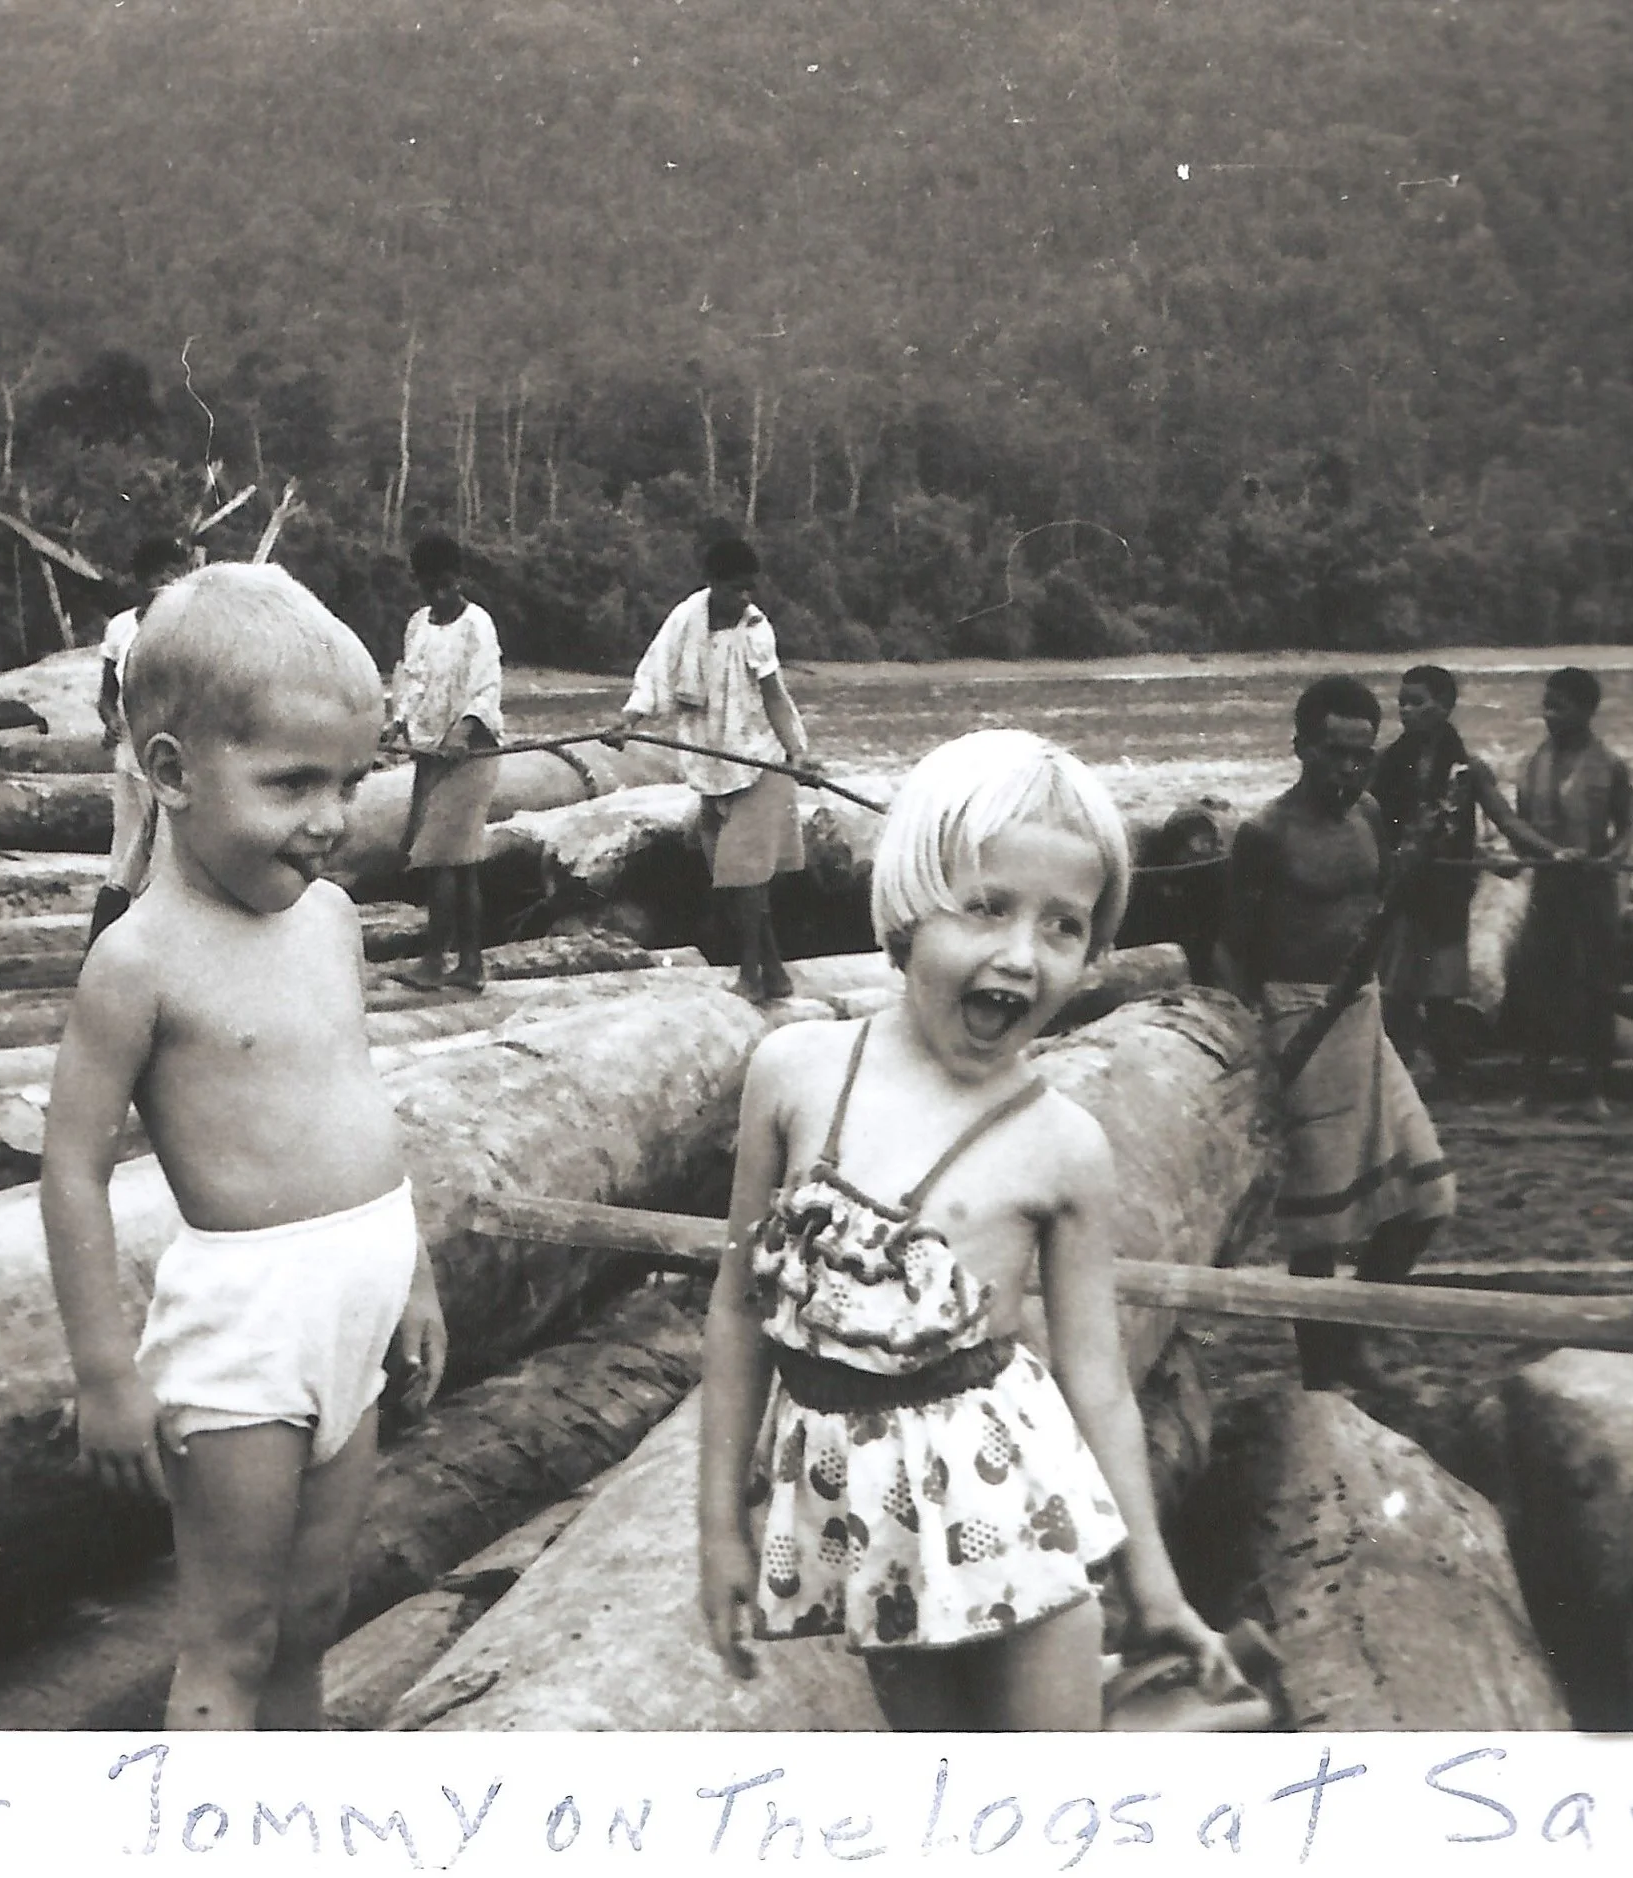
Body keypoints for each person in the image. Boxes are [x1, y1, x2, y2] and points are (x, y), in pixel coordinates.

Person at [696, 729, 1250, 1730]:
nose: (1018, 953)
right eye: (986, 907)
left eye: (1062, 927)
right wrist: (718, 1529)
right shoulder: (795, 1072)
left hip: (1012, 1514)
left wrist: (1156, 1588)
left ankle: (1135, 1715)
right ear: (908, 907)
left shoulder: (1062, 1146)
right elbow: (738, 1309)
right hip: (855, 1519)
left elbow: (1099, 1384)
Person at [40, 561, 450, 1731]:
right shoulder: (138, 961)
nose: (330, 819)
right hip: (247, 1335)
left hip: (355, 1307)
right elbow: (69, 1167)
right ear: (168, 772)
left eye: (351, 782)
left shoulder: (327, 919)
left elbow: (355, 1098)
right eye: (290, 784)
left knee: (316, 1612)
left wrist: (409, 1274)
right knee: (234, 1631)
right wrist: (106, 1372)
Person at [1223, 675, 1455, 1393]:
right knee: (1319, 1226)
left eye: (1361, 754)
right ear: (1300, 748)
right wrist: (1252, 1040)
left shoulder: (1371, 815)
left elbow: (1378, 908)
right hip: (1296, 1018)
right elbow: (1230, 947)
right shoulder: (1267, 834)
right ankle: (1321, 1377)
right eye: (1333, 753)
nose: (1348, 769)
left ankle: (1352, 1340)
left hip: (1363, 1012)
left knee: (1428, 1197)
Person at [615, 537, 817, 1003]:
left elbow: (775, 699)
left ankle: (751, 977)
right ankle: (775, 972)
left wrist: (797, 753)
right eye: (735, 589)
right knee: (735, 883)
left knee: (744, 876)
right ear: (713, 585)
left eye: (750, 589)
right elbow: (654, 673)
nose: (744, 598)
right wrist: (628, 721)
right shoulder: (686, 619)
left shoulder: (757, 629)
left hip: (759, 764)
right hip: (711, 767)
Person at [1369, 664, 1553, 1082]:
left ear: (1446, 706)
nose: (1406, 711)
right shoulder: (1385, 762)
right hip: (1400, 889)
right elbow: (1366, 818)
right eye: (1402, 702)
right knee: (1395, 992)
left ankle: (1448, 1074)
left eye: (1417, 702)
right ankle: (1396, 1074)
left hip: (1447, 891)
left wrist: (1552, 853)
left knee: (1442, 991)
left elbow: (1506, 820)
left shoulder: (1469, 769)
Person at [1501, 667, 1633, 1119]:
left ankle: (1596, 1090)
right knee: (1538, 984)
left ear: (1587, 710)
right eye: (1547, 705)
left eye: (1560, 706)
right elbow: (1518, 828)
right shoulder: (1531, 763)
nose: (1549, 715)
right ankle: (1533, 1086)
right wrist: (1520, 857)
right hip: (1548, 886)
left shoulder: (1610, 765)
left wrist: (1615, 857)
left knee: (1597, 985)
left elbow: (1631, 827)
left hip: (1593, 889)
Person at [385, 530, 503, 992]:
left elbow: (486, 686)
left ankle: (437, 961)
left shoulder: (478, 625)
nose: (437, 592)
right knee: (457, 862)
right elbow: (411, 680)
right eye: (428, 583)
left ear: (459, 579)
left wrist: (463, 730)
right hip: (430, 753)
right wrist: (397, 723)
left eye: (445, 582)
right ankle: (469, 964)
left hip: (470, 754)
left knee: (442, 857)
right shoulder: (418, 625)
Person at [90, 536, 197, 950]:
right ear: (145, 580)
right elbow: (105, 695)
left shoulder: (185, 630)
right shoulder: (122, 628)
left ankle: (156, 949)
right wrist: (111, 720)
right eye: (162, 576)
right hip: (130, 759)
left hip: (170, 762)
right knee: (125, 856)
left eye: (176, 575)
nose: (169, 584)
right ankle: (105, 947)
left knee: (168, 860)